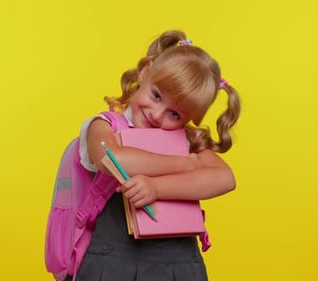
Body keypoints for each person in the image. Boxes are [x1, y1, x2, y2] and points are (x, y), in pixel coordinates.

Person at [73, 30, 240, 281]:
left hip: (179, 266)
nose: (157, 114)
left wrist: (156, 187)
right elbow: (114, 160)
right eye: (157, 96)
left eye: (175, 114)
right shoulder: (105, 125)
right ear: (145, 73)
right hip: (114, 265)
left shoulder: (186, 138)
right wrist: (184, 164)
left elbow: (225, 178)